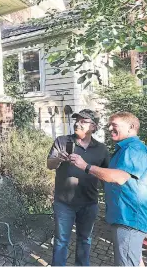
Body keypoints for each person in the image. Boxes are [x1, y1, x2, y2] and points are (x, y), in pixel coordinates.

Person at [69, 112, 147, 266]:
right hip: (125, 218)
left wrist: (85, 166)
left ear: (131, 127)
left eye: (114, 125)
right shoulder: (124, 149)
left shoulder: (134, 149)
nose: (109, 128)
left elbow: (118, 177)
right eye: (109, 125)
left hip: (129, 219)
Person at [47, 109, 110, 266]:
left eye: (83, 121)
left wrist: (111, 201)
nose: (77, 123)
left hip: (89, 203)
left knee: (85, 240)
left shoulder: (101, 149)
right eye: (77, 120)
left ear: (93, 127)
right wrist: (58, 160)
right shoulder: (62, 141)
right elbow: (49, 165)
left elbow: (105, 175)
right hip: (64, 203)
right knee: (61, 241)